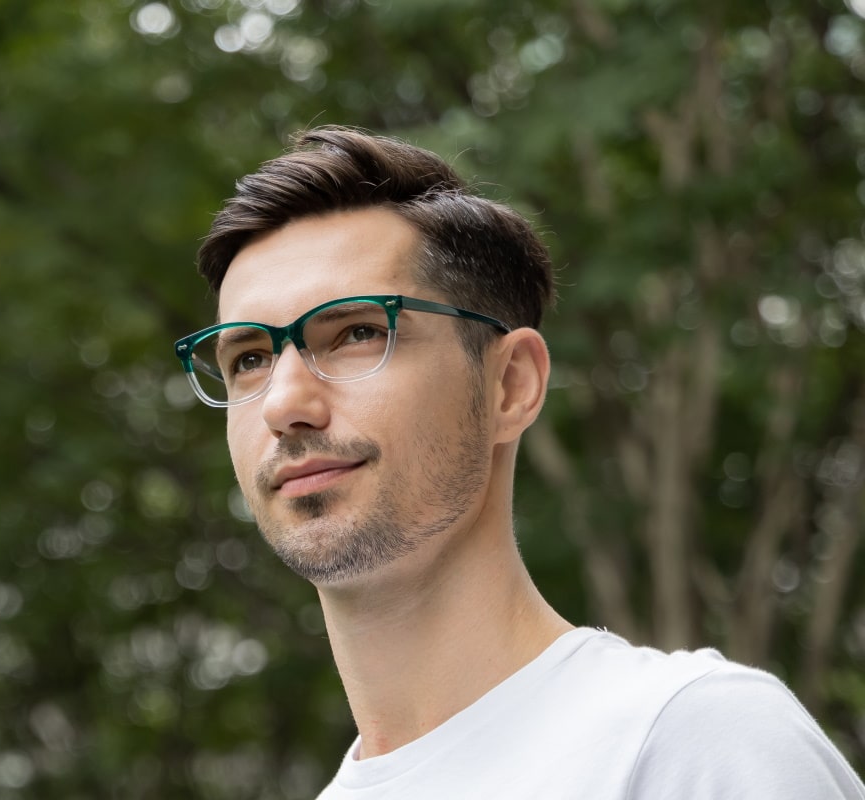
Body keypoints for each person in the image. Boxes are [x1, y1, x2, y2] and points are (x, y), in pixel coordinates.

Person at [172, 126, 865, 798]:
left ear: (511, 386)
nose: (283, 403)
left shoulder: (690, 743)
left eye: (356, 333)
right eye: (250, 359)